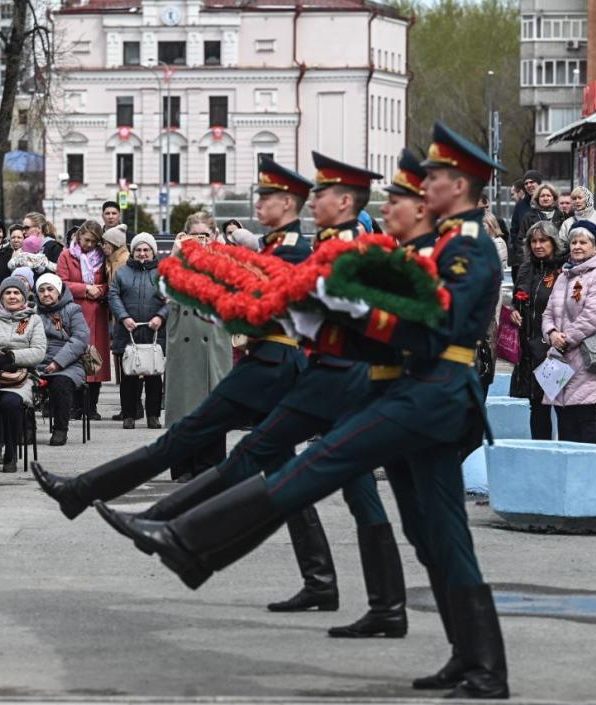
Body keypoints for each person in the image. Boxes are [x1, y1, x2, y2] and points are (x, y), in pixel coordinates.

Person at [92, 124, 510, 699]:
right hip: (411, 391)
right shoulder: (433, 248)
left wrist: (351, 310)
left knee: (316, 465)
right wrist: (317, 321)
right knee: (434, 532)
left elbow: (438, 330)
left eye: (426, 183)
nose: (395, 203)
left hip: (431, 394)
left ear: (454, 188)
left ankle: (191, 543)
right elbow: (389, 336)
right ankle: (477, 661)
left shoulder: (466, 248)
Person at [164, 212, 234, 479]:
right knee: (183, 408)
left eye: (205, 235)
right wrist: (176, 252)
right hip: (183, 343)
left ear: (215, 236)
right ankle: (182, 467)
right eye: (195, 236)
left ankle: (210, 466)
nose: (200, 241)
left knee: (212, 407)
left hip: (213, 343)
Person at [542, 220, 596, 444]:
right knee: (564, 419)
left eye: (583, 242)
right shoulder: (564, 276)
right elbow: (548, 312)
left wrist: (566, 339)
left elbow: (593, 315)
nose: (577, 246)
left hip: (586, 356)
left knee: (585, 418)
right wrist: (552, 333)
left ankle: (590, 475)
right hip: (560, 357)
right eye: (574, 242)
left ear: (594, 247)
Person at [0, 276, 47, 475]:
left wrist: (13, 357)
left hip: (20, 375)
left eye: (16, 293)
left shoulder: (33, 320)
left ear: (24, 297)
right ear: (1, 296)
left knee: (11, 403)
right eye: (8, 292)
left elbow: (39, 351)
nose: (12, 296)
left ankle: (11, 454)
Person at [509, 221, 567, 439]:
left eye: (543, 240)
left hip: (554, 349)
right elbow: (520, 298)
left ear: (553, 242)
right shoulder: (525, 268)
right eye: (533, 241)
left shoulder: (563, 269)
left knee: (561, 406)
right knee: (537, 406)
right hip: (528, 346)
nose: (538, 245)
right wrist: (515, 310)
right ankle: (541, 451)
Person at [108, 232, 167, 430]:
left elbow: (173, 298)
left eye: (146, 250)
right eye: (138, 250)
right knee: (129, 376)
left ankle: (153, 415)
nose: (142, 253)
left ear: (153, 252)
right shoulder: (122, 273)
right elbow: (113, 295)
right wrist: (124, 317)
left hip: (154, 332)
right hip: (129, 331)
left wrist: (161, 316)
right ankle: (129, 415)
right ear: (133, 253)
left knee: (154, 375)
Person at [56, 219, 110, 419]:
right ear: (79, 236)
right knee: (75, 357)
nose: (89, 245)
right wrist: (85, 288)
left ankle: (91, 407)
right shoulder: (66, 255)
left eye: (94, 242)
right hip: (75, 312)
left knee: (94, 360)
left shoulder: (102, 258)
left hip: (96, 313)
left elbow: (109, 281)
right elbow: (60, 283)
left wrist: (100, 290)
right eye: (87, 240)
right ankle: (75, 406)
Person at [34, 273, 90, 446]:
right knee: (22, 383)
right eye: (41, 290)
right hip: (36, 362)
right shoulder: (31, 313)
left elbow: (80, 339)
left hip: (68, 364)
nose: (46, 294)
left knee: (61, 383)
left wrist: (58, 362)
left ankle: (60, 429)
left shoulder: (72, 310)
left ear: (59, 292)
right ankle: (27, 428)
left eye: (50, 289)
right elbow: (21, 336)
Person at [508, 170, 541, 278]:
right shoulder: (520, 206)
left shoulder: (547, 201)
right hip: (526, 256)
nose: (529, 185)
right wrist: (521, 253)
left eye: (532, 182)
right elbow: (514, 231)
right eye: (526, 183)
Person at [518, 184, 566, 255]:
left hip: (558, 259)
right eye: (542, 196)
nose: (545, 198)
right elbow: (521, 240)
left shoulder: (562, 216)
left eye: (548, 196)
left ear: (554, 198)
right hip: (533, 259)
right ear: (537, 199)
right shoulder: (528, 217)